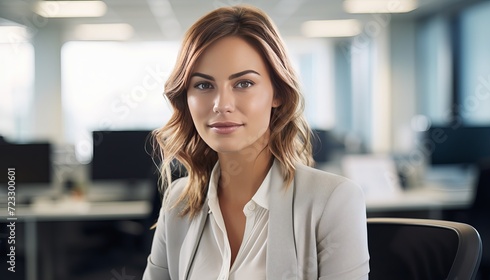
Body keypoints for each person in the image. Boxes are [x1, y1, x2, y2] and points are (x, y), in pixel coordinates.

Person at [143, 5, 369, 280]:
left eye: (243, 83)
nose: (221, 105)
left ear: (278, 94)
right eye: (203, 85)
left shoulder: (333, 200)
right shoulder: (178, 201)